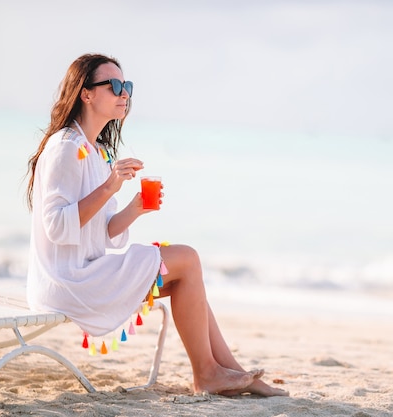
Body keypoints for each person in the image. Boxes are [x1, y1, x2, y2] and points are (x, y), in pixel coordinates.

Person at [25, 53, 288, 397]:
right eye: (115, 86)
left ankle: (235, 374)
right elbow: (57, 228)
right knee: (187, 258)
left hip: (87, 270)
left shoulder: (96, 151)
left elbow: (102, 232)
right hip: (67, 281)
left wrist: (134, 208)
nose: (125, 94)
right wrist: (109, 187)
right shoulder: (65, 148)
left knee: (185, 276)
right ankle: (208, 374)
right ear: (86, 94)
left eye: (127, 86)